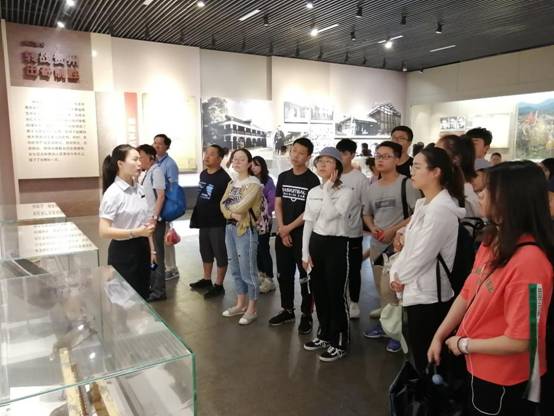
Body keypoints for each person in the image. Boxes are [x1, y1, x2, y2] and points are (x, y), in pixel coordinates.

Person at [428, 161, 553, 416]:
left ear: (511, 199)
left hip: (505, 377)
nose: (479, 194)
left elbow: (521, 340)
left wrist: (464, 344)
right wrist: (439, 335)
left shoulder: (530, 262)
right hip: (479, 363)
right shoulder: (493, 240)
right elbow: (468, 292)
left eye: (487, 190)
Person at [389, 146, 466, 374]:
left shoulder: (440, 210)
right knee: (421, 354)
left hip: (430, 296)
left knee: (430, 361)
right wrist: (396, 275)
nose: (412, 172)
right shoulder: (424, 205)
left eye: (417, 167)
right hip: (415, 289)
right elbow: (409, 249)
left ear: (436, 172)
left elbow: (422, 255)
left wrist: (399, 277)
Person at [362, 141, 420, 353]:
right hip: (377, 245)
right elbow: (367, 214)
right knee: (382, 290)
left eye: (386, 156)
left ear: (397, 159)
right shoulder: (372, 187)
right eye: (378, 155)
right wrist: (373, 228)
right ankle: (387, 326)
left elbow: (417, 214)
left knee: (394, 290)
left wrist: (393, 231)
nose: (380, 159)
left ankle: (397, 332)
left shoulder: (407, 184)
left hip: (399, 246)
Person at [302, 147, 355, 362]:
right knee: (319, 291)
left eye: (328, 161)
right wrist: (305, 253)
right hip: (316, 243)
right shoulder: (313, 192)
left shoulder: (346, 192)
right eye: (320, 161)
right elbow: (309, 222)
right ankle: (324, 334)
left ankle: (340, 339)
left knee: (335, 293)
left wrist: (327, 189)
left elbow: (332, 214)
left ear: (337, 167)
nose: (322, 165)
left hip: (336, 245)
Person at [269, 137, 320, 334]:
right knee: (284, 274)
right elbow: (278, 203)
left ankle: (307, 314)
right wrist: (282, 229)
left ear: (308, 157)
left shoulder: (312, 180)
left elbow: (309, 211)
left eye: (301, 153)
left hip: (302, 236)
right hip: (283, 233)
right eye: (294, 151)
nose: (296, 155)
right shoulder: (283, 176)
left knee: (305, 276)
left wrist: (288, 228)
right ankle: (287, 309)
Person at [99, 145, 155, 300]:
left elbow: (146, 224)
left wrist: (152, 250)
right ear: (120, 164)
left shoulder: (139, 189)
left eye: (140, 159)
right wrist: (136, 232)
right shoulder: (113, 193)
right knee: (124, 302)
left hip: (142, 249)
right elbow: (103, 231)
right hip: (123, 253)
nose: (139, 163)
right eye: (135, 159)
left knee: (142, 297)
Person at [219, 148, 263, 325]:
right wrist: (231, 213)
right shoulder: (232, 183)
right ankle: (240, 304)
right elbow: (222, 204)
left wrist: (229, 209)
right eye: (234, 159)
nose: (237, 162)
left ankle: (252, 308)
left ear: (249, 163)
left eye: (241, 159)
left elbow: (241, 207)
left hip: (245, 230)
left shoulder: (254, 184)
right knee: (235, 268)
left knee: (248, 270)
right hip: (230, 227)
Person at [189, 145, 231, 299]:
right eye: (206, 153)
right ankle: (207, 279)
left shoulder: (225, 179)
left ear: (220, 159)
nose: (207, 157)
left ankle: (219, 285)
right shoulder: (203, 174)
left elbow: (228, 202)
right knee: (205, 250)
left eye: (212, 154)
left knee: (219, 252)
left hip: (217, 221)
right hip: (203, 220)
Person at [336, 139, 371, 319]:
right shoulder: (331, 176)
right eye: (338, 153)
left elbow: (366, 206)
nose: (340, 157)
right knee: (335, 268)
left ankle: (354, 301)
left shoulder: (360, 179)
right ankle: (337, 300)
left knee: (354, 268)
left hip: (353, 233)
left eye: (344, 153)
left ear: (352, 155)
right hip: (332, 233)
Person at [137, 144, 167, 302]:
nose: (139, 160)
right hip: (148, 220)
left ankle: (159, 290)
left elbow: (161, 196)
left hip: (154, 221)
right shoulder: (147, 172)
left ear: (151, 157)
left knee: (157, 256)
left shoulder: (157, 171)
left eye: (141, 157)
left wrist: (154, 217)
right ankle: (153, 286)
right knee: (152, 256)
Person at [153, 133, 181, 280]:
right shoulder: (155, 162)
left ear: (167, 146)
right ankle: (165, 266)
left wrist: (169, 209)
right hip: (156, 205)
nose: (156, 146)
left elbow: (173, 188)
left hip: (165, 205)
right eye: (155, 143)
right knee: (160, 239)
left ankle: (172, 268)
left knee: (167, 239)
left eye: (160, 143)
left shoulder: (170, 164)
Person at [436, 134, 480, 219]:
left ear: (456, 159)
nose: (432, 157)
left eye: (439, 153)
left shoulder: (467, 196)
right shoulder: (442, 189)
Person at [252, 156, 276, 294]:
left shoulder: (268, 181)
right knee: (256, 249)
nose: (254, 168)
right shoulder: (250, 180)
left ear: (263, 167)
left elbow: (272, 201)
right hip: (252, 221)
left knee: (263, 248)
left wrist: (262, 214)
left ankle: (269, 279)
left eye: (257, 165)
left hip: (264, 221)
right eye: (252, 165)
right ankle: (261, 275)